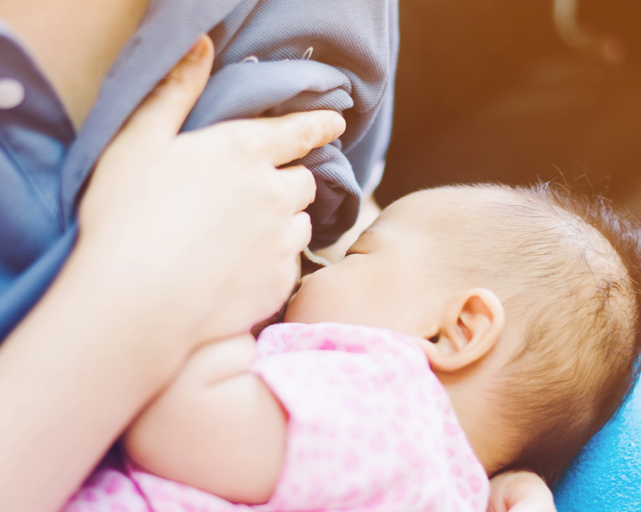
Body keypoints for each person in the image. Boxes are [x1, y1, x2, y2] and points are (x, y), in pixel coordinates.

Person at [64, 184, 640, 511]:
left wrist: (227, 289)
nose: (313, 270)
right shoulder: (450, 493)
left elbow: (177, 426)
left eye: (358, 254)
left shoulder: (388, 408)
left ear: (455, 331)